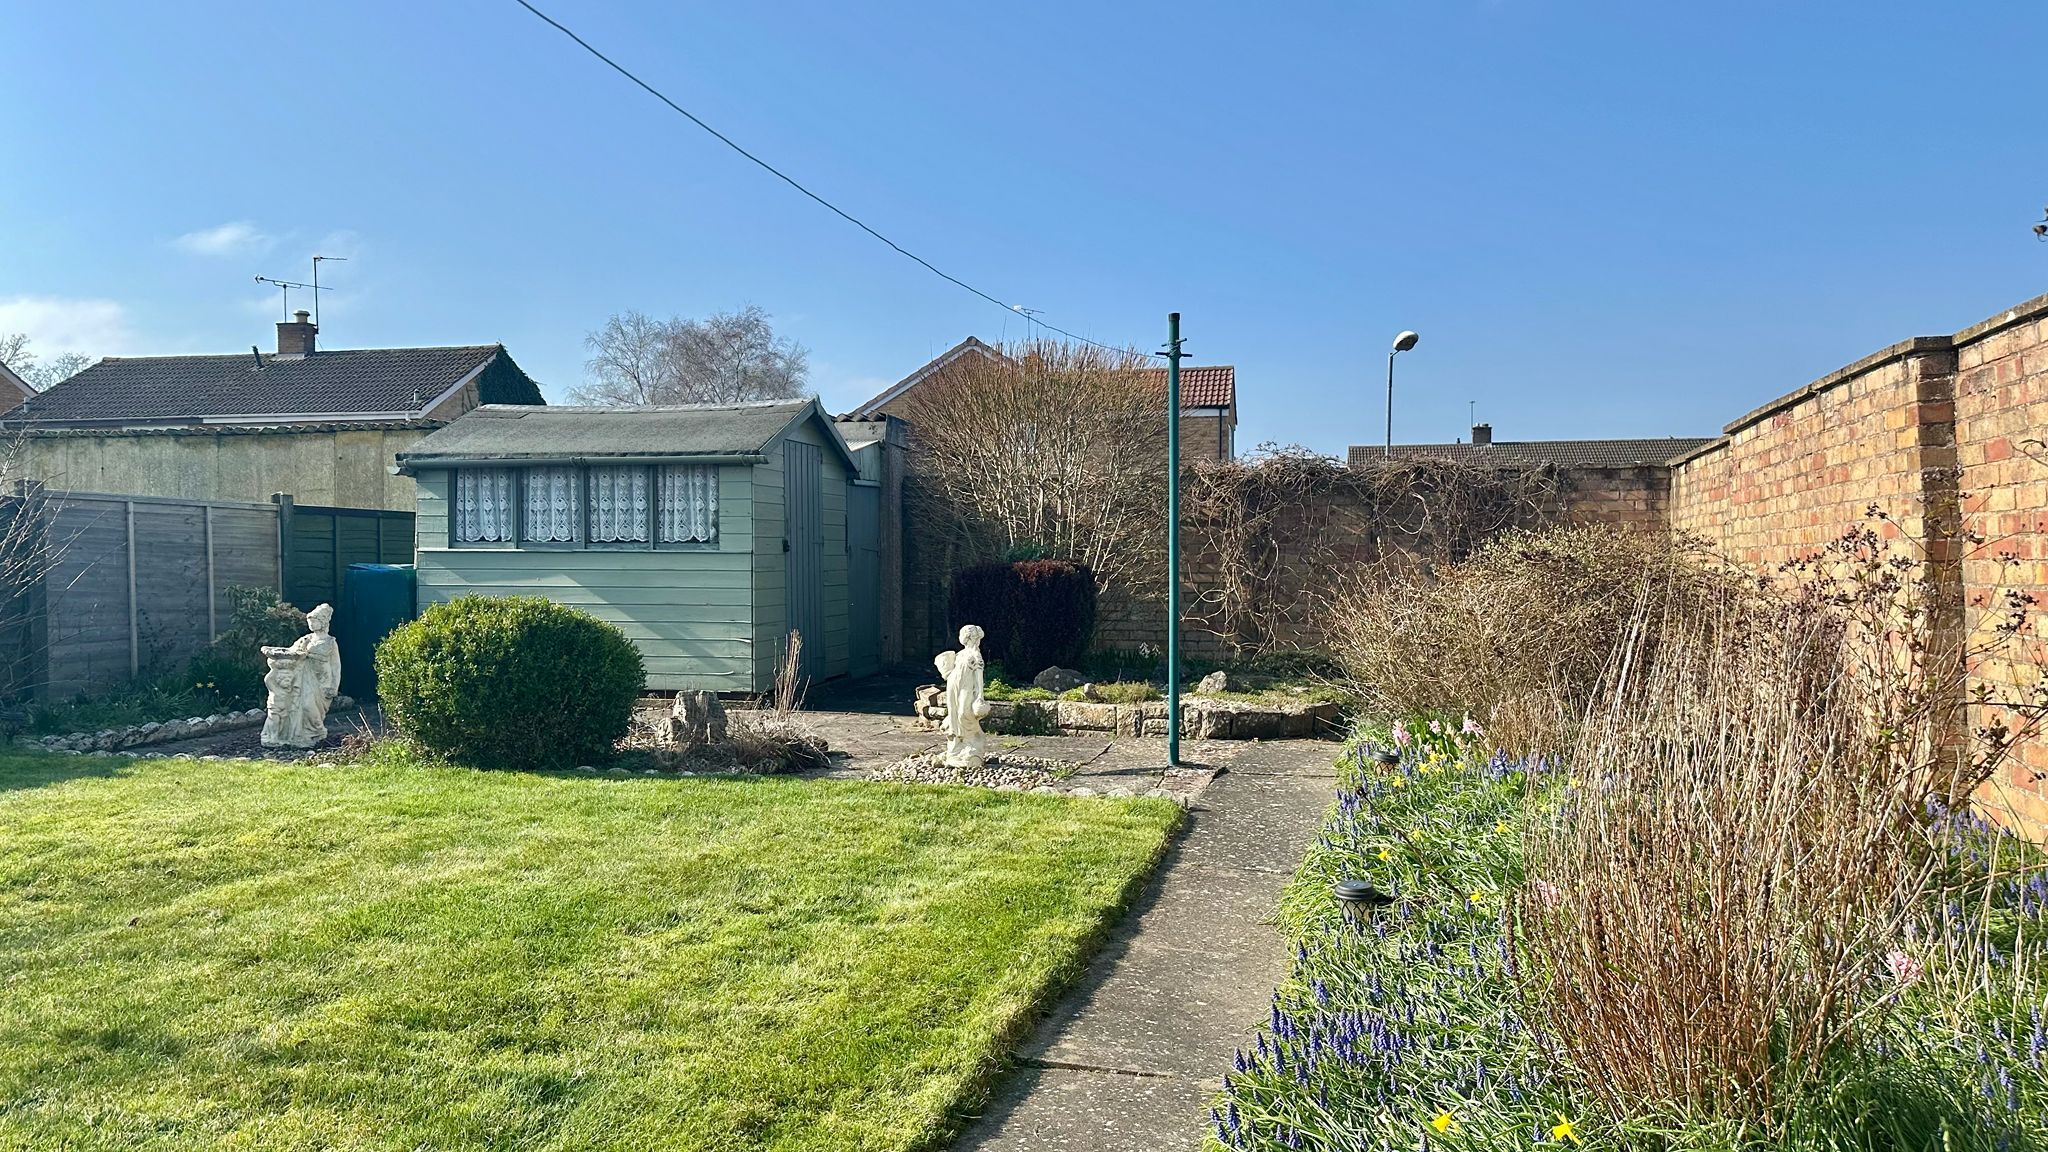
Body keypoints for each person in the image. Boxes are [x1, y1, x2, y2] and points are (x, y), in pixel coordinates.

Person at [260, 603, 341, 748]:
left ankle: (316, 731)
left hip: (322, 678)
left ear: (322, 622)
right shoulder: (306, 640)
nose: (311, 624)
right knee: (304, 705)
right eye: (309, 622)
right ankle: (302, 734)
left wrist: (334, 686)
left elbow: (335, 666)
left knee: (313, 707)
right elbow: (290, 652)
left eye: (314, 621)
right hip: (305, 675)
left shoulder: (330, 642)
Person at [942, 624, 991, 768]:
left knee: (964, 713)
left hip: (967, 688)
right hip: (953, 686)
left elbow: (979, 677)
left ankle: (971, 745)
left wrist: (980, 696)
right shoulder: (961, 653)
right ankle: (957, 745)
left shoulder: (976, 654)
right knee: (954, 714)